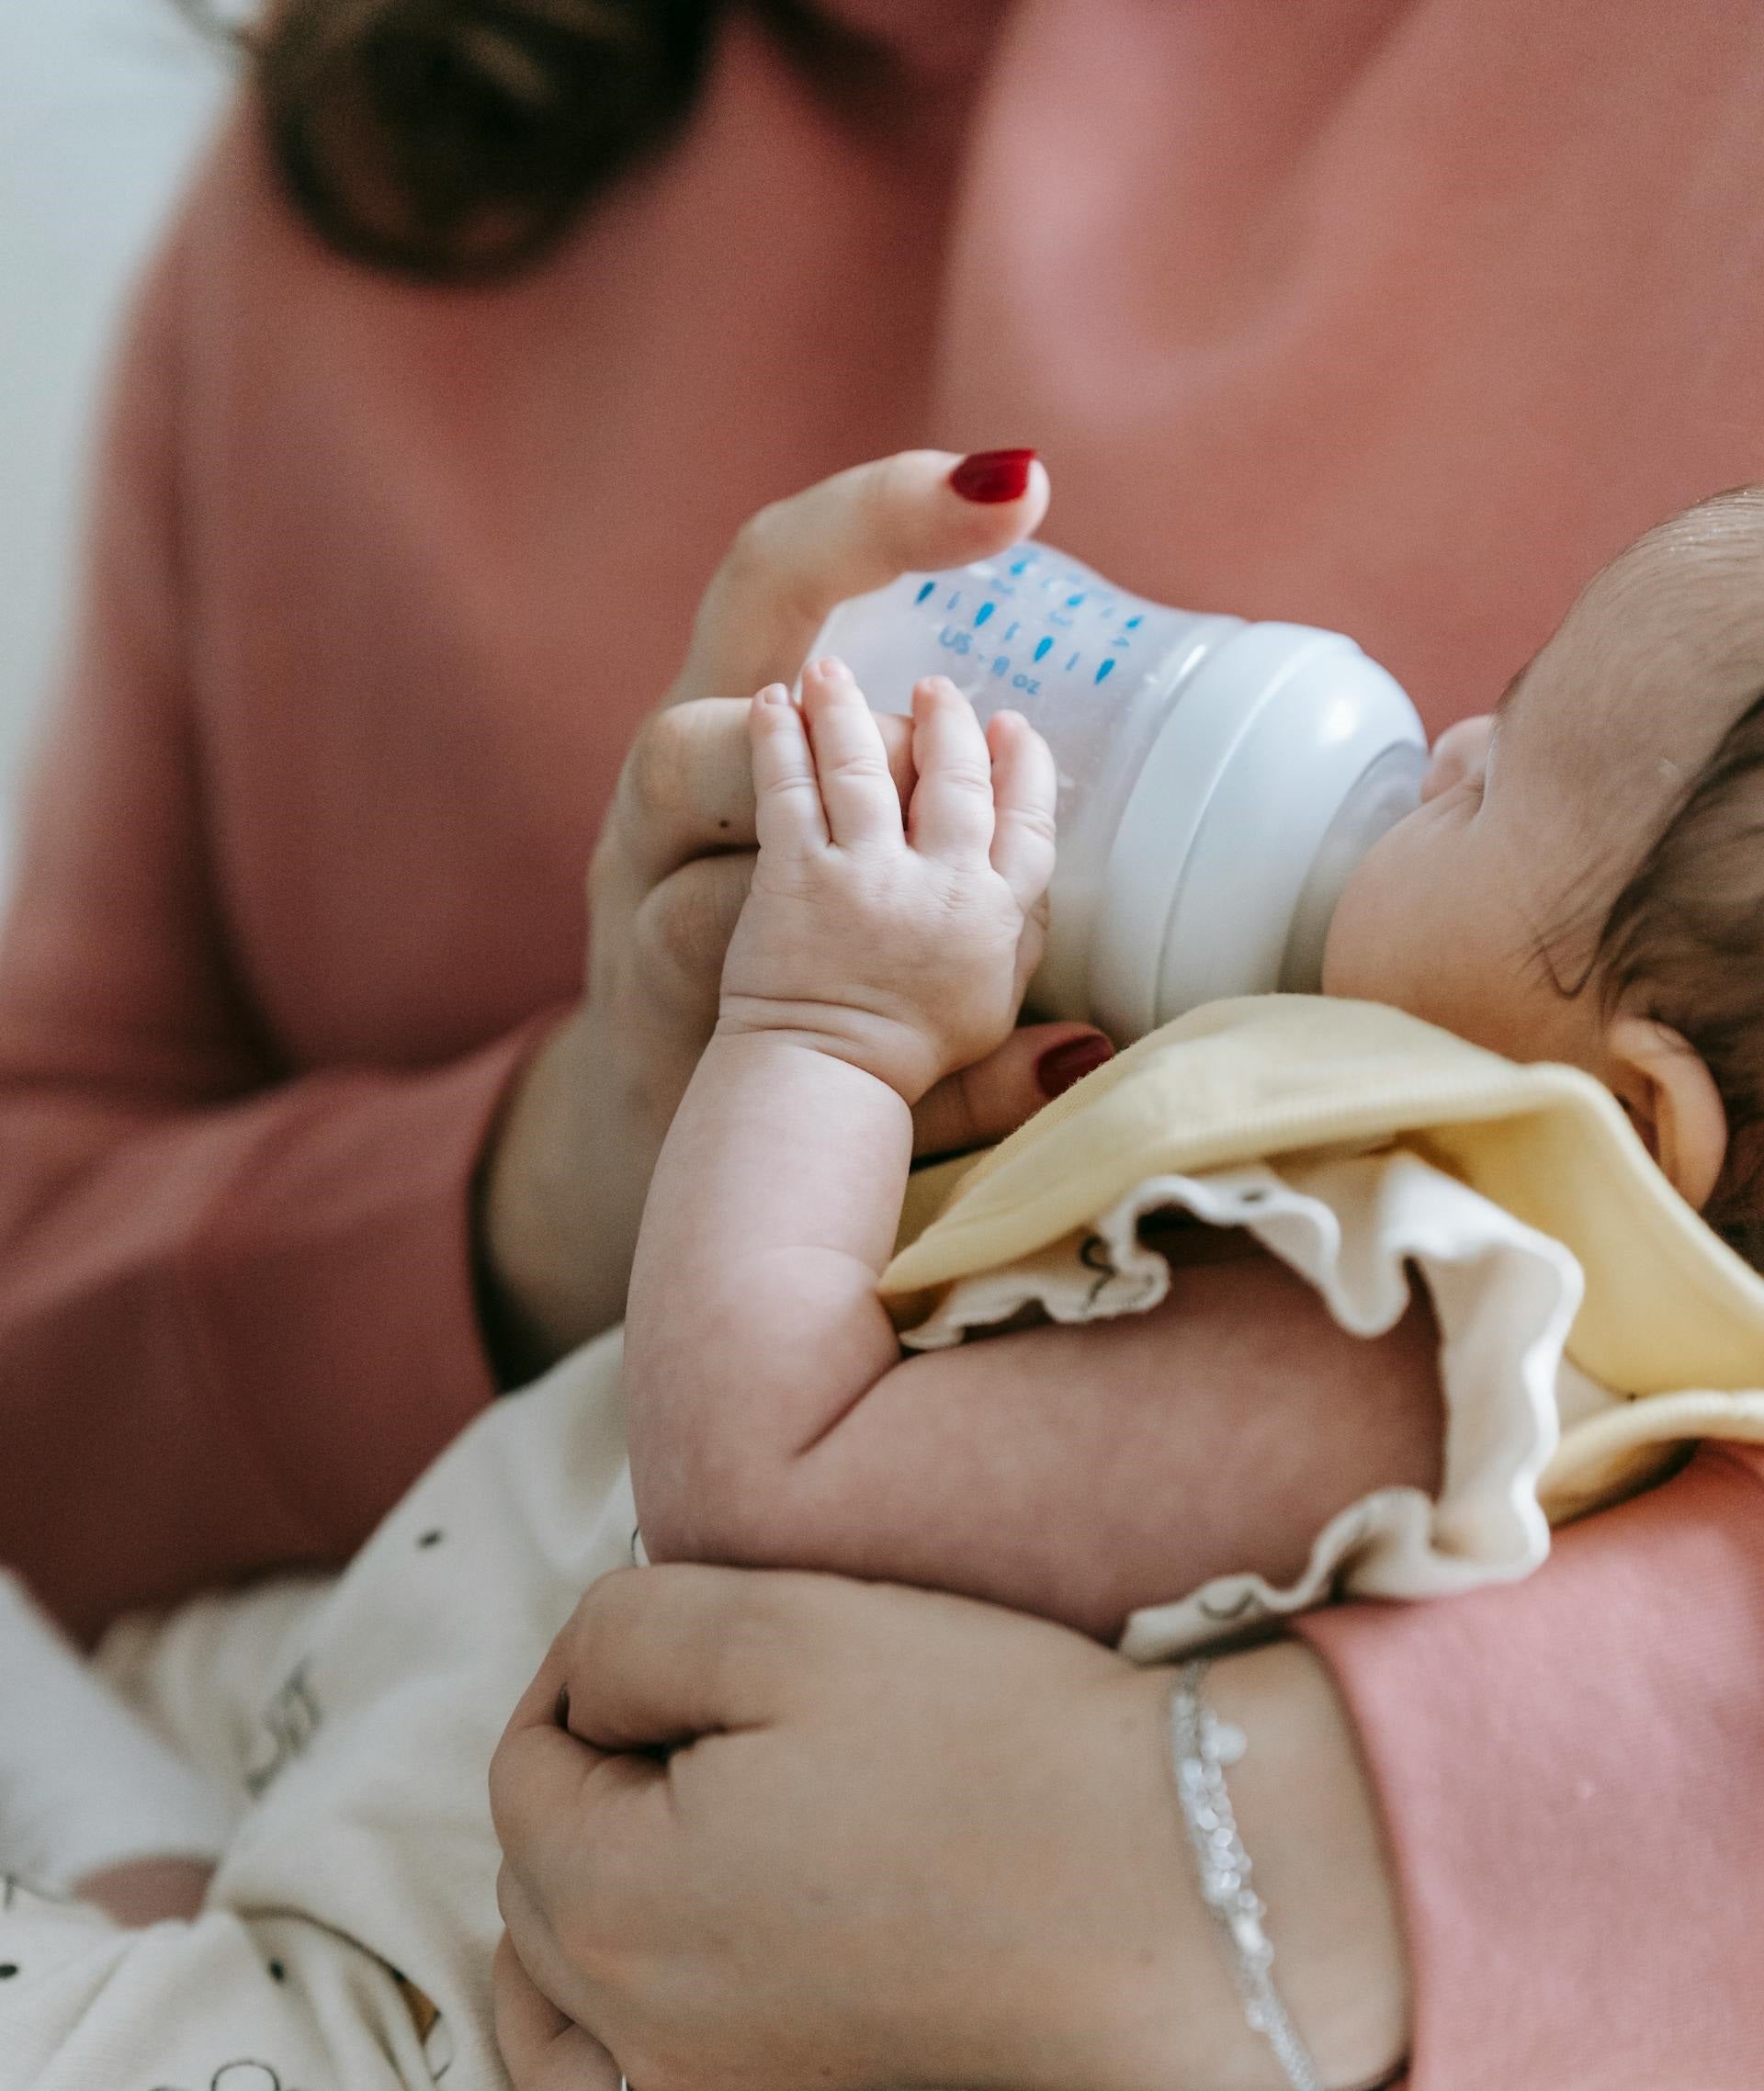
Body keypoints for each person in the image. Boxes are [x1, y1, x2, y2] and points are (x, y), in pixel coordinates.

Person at [6, 2, 1764, 2085]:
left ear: (1640, 1119)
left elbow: (774, 1470)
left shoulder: (1403, 1289)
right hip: (343, 1708)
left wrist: (1362, 1841)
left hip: (468, 1957)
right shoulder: (403, 140)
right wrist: (561, 1177)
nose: (1441, 731)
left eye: (1494, 780)